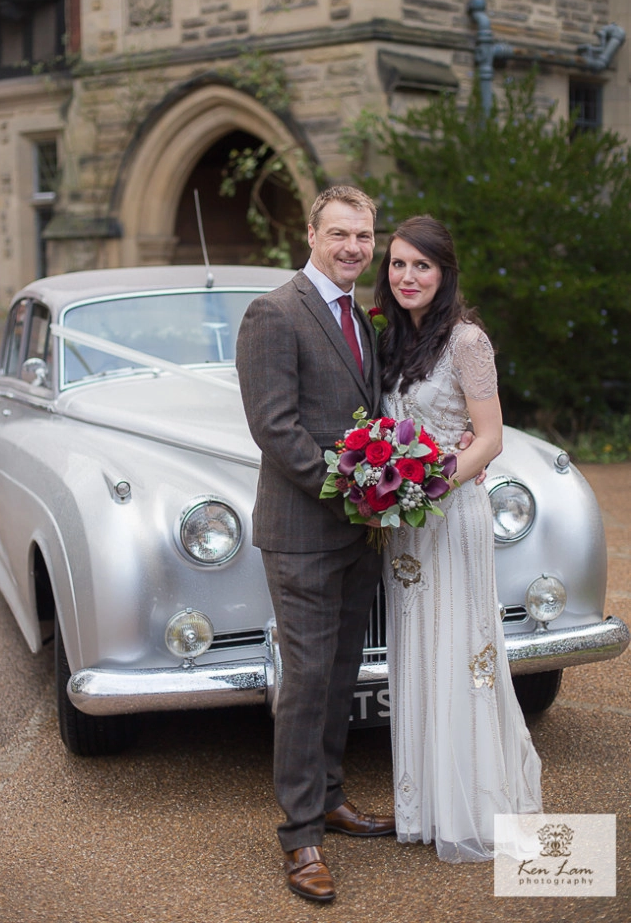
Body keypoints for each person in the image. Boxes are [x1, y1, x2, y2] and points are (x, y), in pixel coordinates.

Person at [236, 186, 395, 904]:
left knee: (339, 672)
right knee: (303, 682)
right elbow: (275, 429)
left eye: (363, 236)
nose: (353, 248)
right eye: (340, 234)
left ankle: (331, 796)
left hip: (357, 533)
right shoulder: (273, 312)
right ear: (311, 233)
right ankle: (300, 837)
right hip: (302, 530)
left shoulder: (361, 314)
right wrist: (349, 490)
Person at [374, 215, 542, 863]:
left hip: (450, 515)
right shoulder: (391, 340)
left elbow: (491, 437)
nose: (408, 277)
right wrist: (390, 490)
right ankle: (426, 806)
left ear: (443, 275)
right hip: (405, 529)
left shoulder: (467, 340)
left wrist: (427, 486)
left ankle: (472, 805)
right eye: (398, 265)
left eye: (422, 266)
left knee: (462, 650)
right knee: (418, 651)